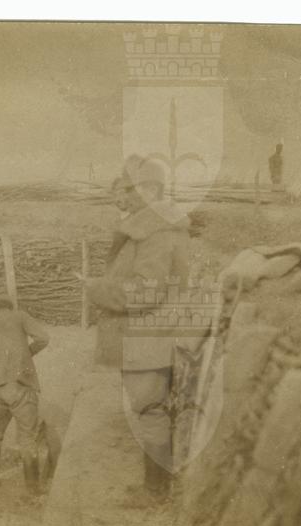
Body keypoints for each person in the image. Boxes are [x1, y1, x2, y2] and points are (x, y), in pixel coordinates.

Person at [84, 155, 195, 507]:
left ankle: (155, 492)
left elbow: (147, 290)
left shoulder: (154, 232)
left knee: (149, 411)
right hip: (153, 334)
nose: (124, 196)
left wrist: (97, 289)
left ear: (150, 190)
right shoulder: (156, 227)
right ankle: (160, 485)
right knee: (154, 410)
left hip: (147, 338)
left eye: (130, 190)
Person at [0, 293, 49, 497]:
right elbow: (43, 338)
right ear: (10, 306)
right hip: (19, 387)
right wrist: (27, 353)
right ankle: (32, 487)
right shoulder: (19, 316)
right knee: (27, 438)